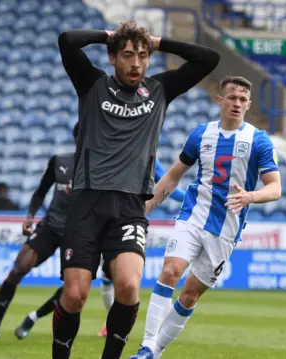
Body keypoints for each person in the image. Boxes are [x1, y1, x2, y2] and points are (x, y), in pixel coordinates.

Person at [53, 21, 220, 359]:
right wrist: (108, 36)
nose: (136, 64)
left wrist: (159, 42)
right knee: (75, 295)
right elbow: (68, 41)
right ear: (112, 58)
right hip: (87, 201)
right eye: (128, 56)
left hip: (130, 205)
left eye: (143, 56)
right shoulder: (92, 83)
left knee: (129, 288)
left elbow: (209, 58)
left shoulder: (160, 89)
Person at [128, 76, 281, 359]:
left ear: (249, 104)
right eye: (232, 98)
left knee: (190, 295)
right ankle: (147, 345)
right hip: (192, 216)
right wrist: (146, 207)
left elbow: (275, 188)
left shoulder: (257, 140)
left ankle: (156, 351)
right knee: (170, 271)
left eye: (242, 99)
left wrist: (250, 196)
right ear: (220, 100)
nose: (237, 104)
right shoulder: (201, 134)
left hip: (225, 229)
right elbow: (173, 177)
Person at [13, 158, 187, 340]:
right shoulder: (95, 152)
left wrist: (191, 196)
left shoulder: (144, 152)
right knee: (76, 286)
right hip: (87, 222)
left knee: (107, 281)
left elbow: (166, 181)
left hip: (119, 223)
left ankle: (108, 325)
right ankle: (41, 318)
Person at [0, 123, 79, 345]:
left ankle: (33, 318)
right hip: (51, 227)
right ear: (76, 138)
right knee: (18, 269)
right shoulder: (60, 161)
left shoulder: (101, 167)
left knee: (73, 289)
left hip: (79, 234)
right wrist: (30, 217)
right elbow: (40, 192)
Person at [98, 159, 186, 337]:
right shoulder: (111, 152)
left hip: (132, 221)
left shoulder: (149, 157)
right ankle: (111, 322)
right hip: (107, 218)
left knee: (125, 278)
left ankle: (118, 324)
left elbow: (168, 184)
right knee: (107, 275)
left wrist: (195, 198)